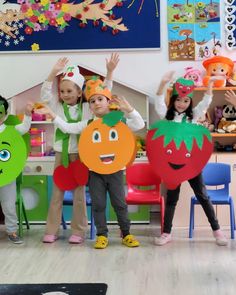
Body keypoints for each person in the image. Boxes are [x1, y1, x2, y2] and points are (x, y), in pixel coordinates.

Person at [38, 78, 145, 249]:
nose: (96, 103)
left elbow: (139, 124)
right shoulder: (88, 124)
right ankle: (102, 235)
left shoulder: (118, 121)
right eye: (93, 101)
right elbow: (68, 128)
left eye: (100, 99)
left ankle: (126, 233)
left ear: (108, 101)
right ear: (90, 106)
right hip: (95, 171)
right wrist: (54, 116)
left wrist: (130, 110)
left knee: (119, 203)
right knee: (98, 204)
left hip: (115, 170)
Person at [40, 54, 120, 244]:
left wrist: (109, 72)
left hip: (81, 155)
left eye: (69, 90)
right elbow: (45, 95)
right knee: (57, 194)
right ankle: (52, 229)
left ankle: (79, 231)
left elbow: (105, 93)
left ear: (79, 92)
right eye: (62, 91)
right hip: (61, 154)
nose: (65, 94)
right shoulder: (57, 106)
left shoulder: (87, 108)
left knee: (79, 196)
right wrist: (52, 74)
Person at [152, 72, 228, 246]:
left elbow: (205, 103)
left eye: (186, 101)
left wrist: (210, 86)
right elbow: (158, 103)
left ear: (190, 102)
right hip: (172, 166)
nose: (181, 104)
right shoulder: (167, 117)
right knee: (172, 198)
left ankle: (217, 231)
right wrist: (162, 84)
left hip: (191, 164)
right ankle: (167, 233)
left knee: (202, 195)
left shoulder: (193, 116)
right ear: (173, 100)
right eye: (178, 100)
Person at [0, 95, 33, 244]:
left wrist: (27, 114)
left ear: (5, 114)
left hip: (7, 175)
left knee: (9, 204)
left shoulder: (11, 130)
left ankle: (12, 231)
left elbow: (25, 128)